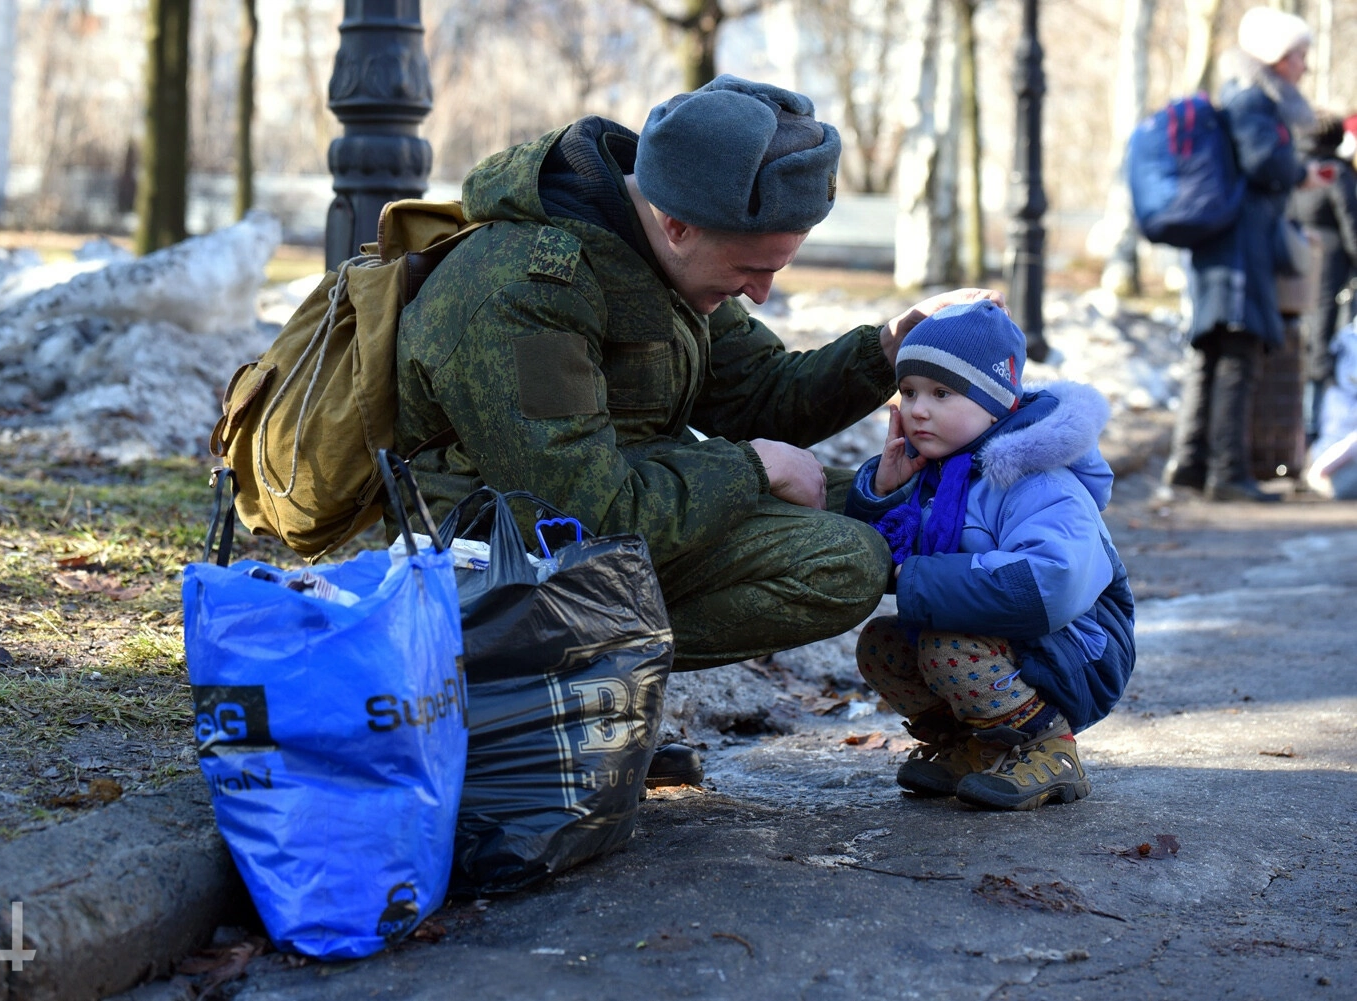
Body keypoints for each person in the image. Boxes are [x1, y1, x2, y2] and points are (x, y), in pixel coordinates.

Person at [393, 75, 998, 675]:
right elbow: (579, 515)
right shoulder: (523, 292)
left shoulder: (668, 247)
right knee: (844, 560)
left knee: (899, 499)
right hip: (492, 560)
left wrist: (888, 348)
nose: (759, 294)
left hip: (623, 503)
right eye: (750, 268)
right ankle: (553, 690)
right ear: (678, 224)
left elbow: (756, 395)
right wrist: (753, 466)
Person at [844, 299, 1135, 811]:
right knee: (883, 645)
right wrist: (886, 493)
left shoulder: (1039, 483)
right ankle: (975, 746)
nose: (917, 409)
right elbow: (888, 561)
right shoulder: (936, 472)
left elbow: (1050, 581)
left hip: (1076, 649)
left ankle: (1051, 747)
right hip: (1009, 640)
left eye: (942, 393)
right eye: (908, 392)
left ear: (996, 402)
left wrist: (917, 576)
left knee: (945, 646)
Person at [1162, 6, 1328, 503]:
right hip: (1238, 252)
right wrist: (1299, 172)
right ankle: (1227, 473)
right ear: (1277, 58)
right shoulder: (1254, 100)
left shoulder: (1241, 94)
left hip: (1227, 248)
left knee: (1212, 356)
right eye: (1299, 55)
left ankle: (1192, 465)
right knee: (1237, 354)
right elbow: (1262, 161)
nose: (1304, 65)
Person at [1288, 110, 1357, 445]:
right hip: (1329, 269)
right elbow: (1352, 225)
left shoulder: (1290, 169)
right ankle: (1317, 431)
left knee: (1293, 345)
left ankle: (1292, 431)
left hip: (1288, 265)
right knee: (1324, 346)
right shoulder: (1335, 173)